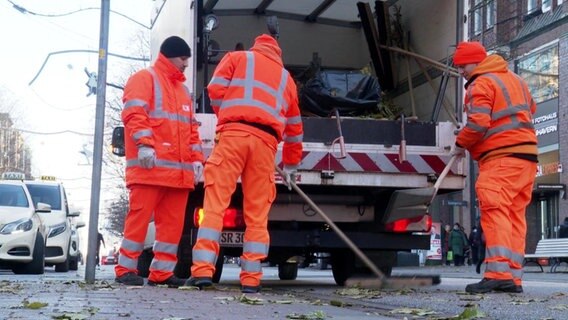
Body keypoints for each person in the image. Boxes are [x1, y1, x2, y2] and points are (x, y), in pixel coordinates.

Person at [185, 34, 303, 293]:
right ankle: (251, 278)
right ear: (277, 52)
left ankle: (203, 272)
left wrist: (226, 115)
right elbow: (295, 129)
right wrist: (292, 164)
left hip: (233, 136)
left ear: (256, 46)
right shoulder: (287, 80)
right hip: (265, 145)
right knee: (257, 214)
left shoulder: (237, 58)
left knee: (215, 205)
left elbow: (215, 89)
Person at [114, 36, 204, 288]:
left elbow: (191, 130)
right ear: (169, 56)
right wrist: (144, 144)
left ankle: (162, 273)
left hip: (177, 175)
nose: (186, 63)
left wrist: (197, 159)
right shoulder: (145, 79)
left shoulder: (183, 91)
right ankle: (125, 270)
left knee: (172, 227)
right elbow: (134, 113)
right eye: (183, 58)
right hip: (149, 168)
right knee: (139, 221)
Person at [451, 41, 538, 293]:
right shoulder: (516, 80)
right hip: (526, 158)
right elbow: (529, 109)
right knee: (514, 215)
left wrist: (461, 141)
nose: (461, 72)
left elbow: (478, 124)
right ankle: (513, 277)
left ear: (476, 62)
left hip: (501, 157)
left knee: (495, 211)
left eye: (462, 65)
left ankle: (497, 273)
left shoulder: (481, 83)